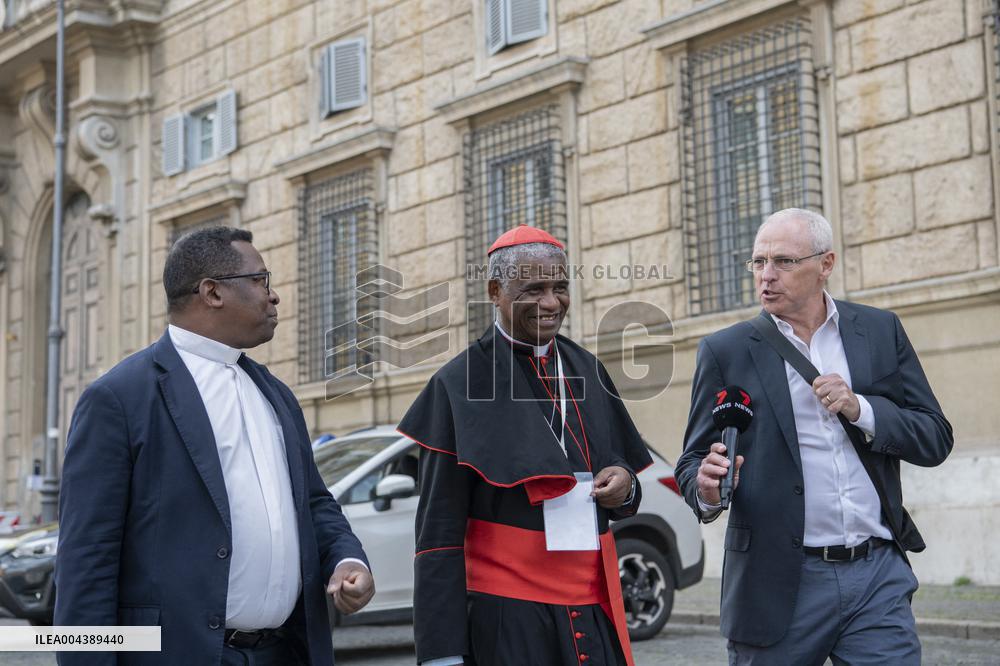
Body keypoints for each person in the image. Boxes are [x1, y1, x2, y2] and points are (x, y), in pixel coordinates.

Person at [55, 226, 375, 665]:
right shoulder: (120, 398)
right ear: (212, 292)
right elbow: (87, 561)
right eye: (260, 280)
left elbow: (315, 505)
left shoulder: (276, 394)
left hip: (286, 652)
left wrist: (345, 560)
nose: (274, 295)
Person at [676, 208, 953, 665]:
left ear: (826, 264)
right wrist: (705, 489)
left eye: (783, 261)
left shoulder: (879, 331)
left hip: (875, 575)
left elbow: (935, 436)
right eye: (758, 262)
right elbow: (692, 461)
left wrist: (860, 408)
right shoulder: (725, 350)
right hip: (776, 581)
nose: (766, 276)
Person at [398, 225, 653, 666]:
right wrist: (442, 654)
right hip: (507, 618)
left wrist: (625, 485)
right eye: (534, 289)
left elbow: (619, 474)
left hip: (592, 609)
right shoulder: (458, 384)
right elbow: (437, 535)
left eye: (560, 287)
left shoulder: (587, 369)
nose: (551, 303)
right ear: (496, 290)